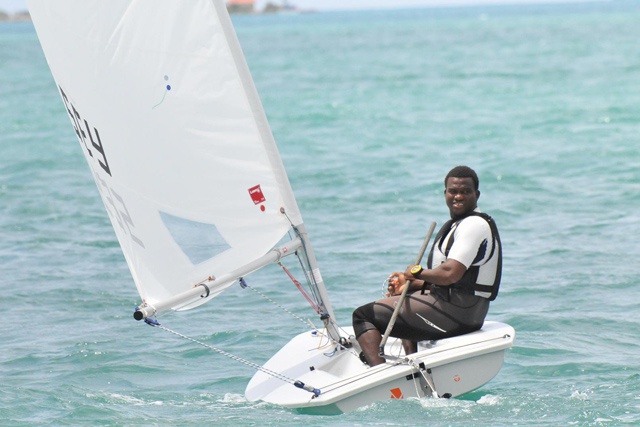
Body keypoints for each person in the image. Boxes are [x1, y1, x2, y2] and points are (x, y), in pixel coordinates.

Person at [352, 165, 502, 366]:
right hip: (461, 310)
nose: (458, 197)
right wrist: (412, 284)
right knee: (404, 294)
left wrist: (416, 273)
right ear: (445, 193)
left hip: (459, 313)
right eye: (453, 191)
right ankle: (412, 362)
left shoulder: (474, 225)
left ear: (477, 194)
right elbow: (456, 281)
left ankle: (379, 375)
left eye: (465, 192)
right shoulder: (458, 224)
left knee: (363, 316)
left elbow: (450, 274)